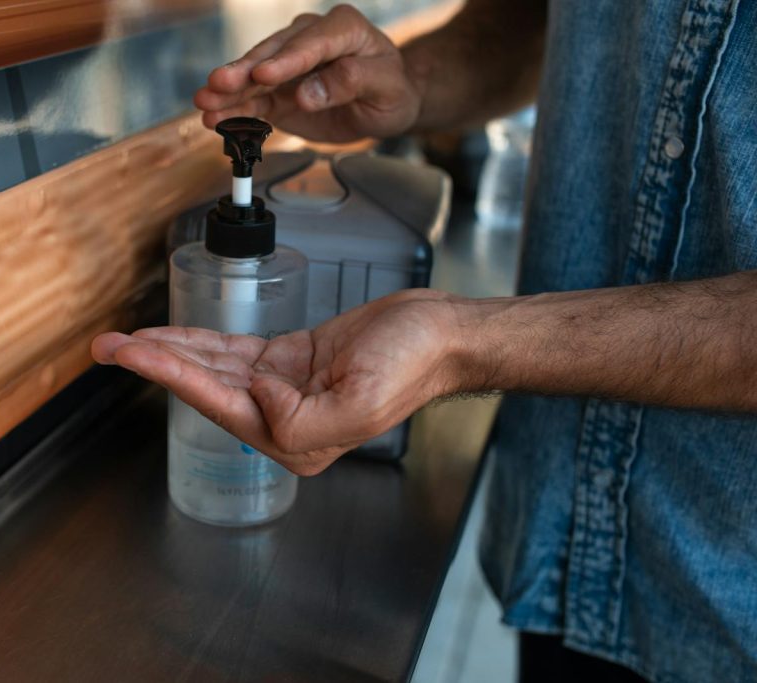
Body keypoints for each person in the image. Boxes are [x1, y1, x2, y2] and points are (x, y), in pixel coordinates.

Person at [92, 1, 757, 680]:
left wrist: (461, 341)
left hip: (726, 606)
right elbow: (535, 19)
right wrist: (413, 82)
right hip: (563, 557)